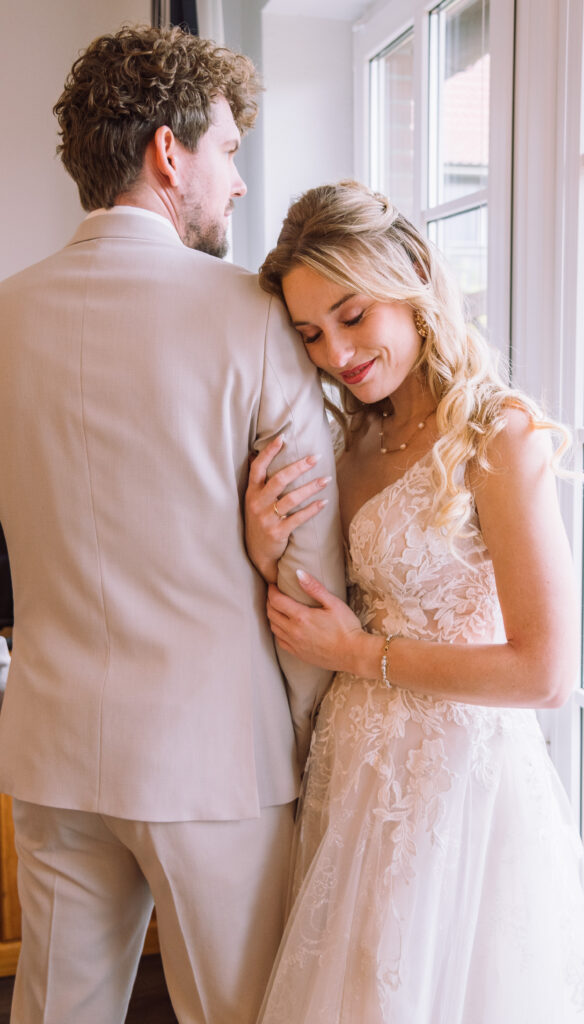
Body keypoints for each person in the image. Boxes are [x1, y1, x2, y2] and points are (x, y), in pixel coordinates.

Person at [0, 25, 345, 1024]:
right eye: (227, 150)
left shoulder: (3, 316)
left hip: (53, 747)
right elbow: (309, 570)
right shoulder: (254, 316)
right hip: (217, 757)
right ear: (167, 151)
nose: (237, 181)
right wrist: (315, 732)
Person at [244, 181, 584, 1023]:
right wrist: (264, 545)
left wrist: (361, 655)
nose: (335, 353)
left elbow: (543, 673)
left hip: (458, 782)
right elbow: (323, 611)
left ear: (412, 277)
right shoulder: (350, 439)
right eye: (310, 334)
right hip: (354, 769)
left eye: (352, 315)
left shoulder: (497, 436)